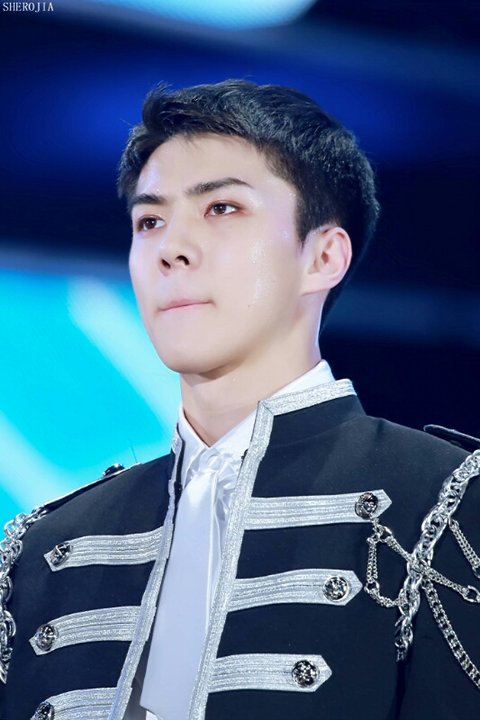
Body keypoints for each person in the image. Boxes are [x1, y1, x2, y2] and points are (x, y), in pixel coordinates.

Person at [1, 80, 479, 720]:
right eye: (150, 221)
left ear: (323, 256)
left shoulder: (443, 500)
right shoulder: (42, 548)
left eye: (221, 208)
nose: (171, 248)